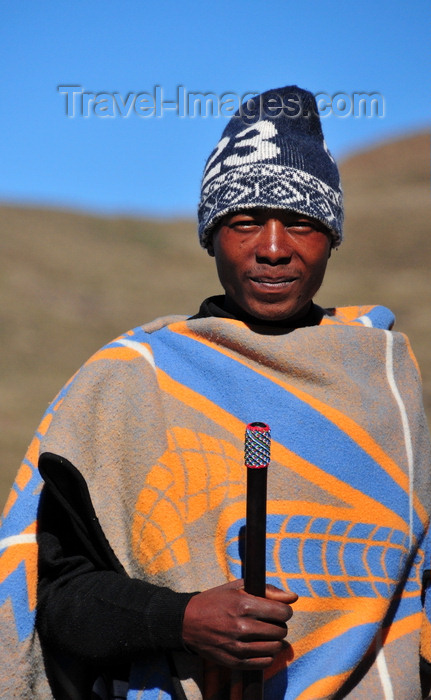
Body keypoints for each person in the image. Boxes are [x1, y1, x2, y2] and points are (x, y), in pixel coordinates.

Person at [1, 85, 430, 700]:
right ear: (212, 235)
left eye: (302, 223)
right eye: (246, 222)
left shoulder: (385, 382)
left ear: (331, 236)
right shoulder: (134, 380)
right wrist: (182, 619)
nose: (274, 247)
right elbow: (59, 595)